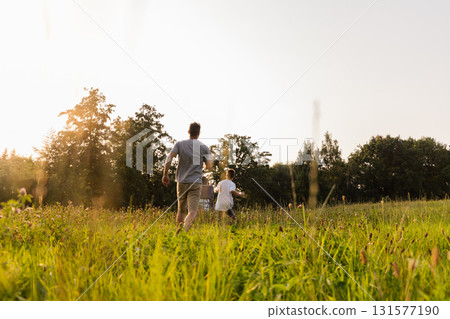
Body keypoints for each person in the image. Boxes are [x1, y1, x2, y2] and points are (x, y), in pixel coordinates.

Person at [162, 122, 213, 233]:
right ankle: (184, 232)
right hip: (195, 183)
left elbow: (169, 157)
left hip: (182, 181)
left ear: (189, 131)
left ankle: (179, 232)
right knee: (192, 211)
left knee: (181, 210)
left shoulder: (180, 144)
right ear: (199, 133)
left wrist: (165, 174)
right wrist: (205, 163)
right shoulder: (204, 147)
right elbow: (209, 166)